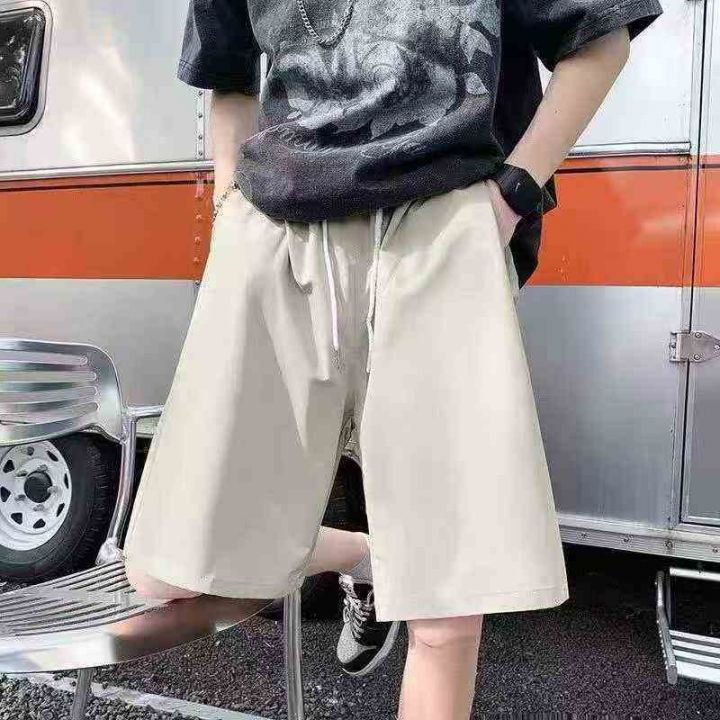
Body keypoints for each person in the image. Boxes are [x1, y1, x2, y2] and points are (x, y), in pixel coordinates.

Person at [124, 0, 662, 717]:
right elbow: (228, 77)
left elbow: (599, 39)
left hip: (437, 220)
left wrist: (513, 194)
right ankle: (365, 555)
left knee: (446, 611)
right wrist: (228, 208)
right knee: (165, 571)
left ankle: (402, 566)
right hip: (277, 227)